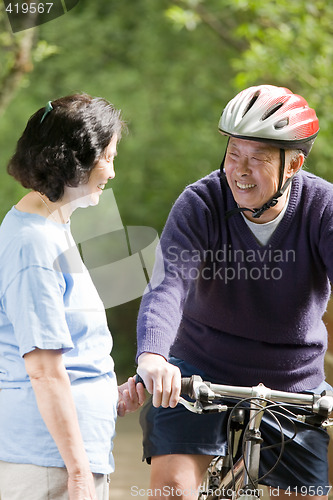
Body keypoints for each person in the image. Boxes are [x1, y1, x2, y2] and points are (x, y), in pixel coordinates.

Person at [136, 85, 333, 499]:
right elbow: (169, 285)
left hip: (293, 380)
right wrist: (153, 355)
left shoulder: (322, 208)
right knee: (171, 488)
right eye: (233, 155)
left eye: (257, 159)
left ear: (294, 164)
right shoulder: (201, 204)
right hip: (199, 369)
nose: (240, 171)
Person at [0, 94, 145, 500]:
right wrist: (78, 473)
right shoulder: (32, 244)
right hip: (48, 464)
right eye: (109, 158)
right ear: (76, 159)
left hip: (65, 457)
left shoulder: (52, 229)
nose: (112, 173)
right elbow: (43, 370)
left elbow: (66, 358)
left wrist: (105, 396)